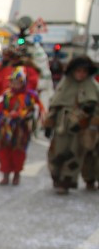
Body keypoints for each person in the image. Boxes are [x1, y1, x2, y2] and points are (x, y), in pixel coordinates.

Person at [45, 56, 99, 193]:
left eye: (84, 71)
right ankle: (56, 176)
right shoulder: (65, 83)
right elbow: (55, 104)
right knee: (56, 153)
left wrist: (86, 117)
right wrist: (48, 123)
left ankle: (67, 181)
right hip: (61, 126)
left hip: (81, 127)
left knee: (75, 154)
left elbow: (94, 105)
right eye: (78, 71)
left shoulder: (91, 85)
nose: (81, 74)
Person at [0, 68, 44, 186]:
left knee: (18, 152)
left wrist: (22, 115)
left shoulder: (31, 96)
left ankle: (17, 174)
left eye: (18, 82)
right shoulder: (6, 95)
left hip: (21, 129)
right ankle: (5, 174)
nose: (15, 85)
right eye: (13, 82)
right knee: (4, 151)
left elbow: (37, 111)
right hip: (6, 128)